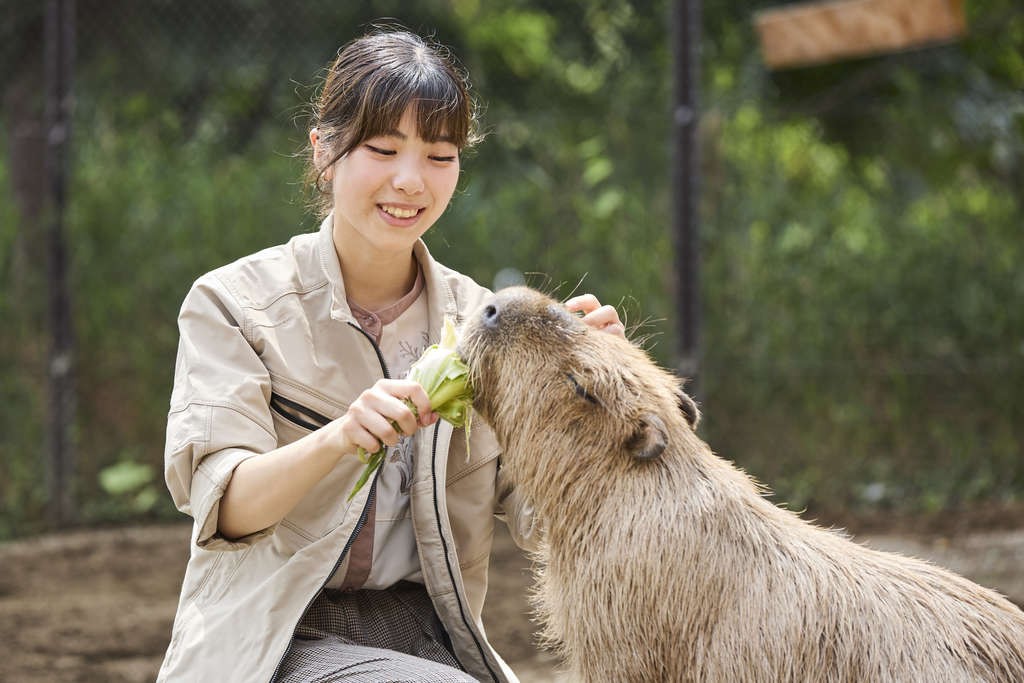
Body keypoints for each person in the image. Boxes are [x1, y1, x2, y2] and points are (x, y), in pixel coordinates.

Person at [157, 27, 625, 683]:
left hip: (437, 640)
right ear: (324, 151)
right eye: (382, 148)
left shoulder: (484, 321)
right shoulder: (232, 303)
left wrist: (601, 396)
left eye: (440, 154)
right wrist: (342, 437)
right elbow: (225, 505)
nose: (411, 180)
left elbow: (549, 519)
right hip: (277, 637)